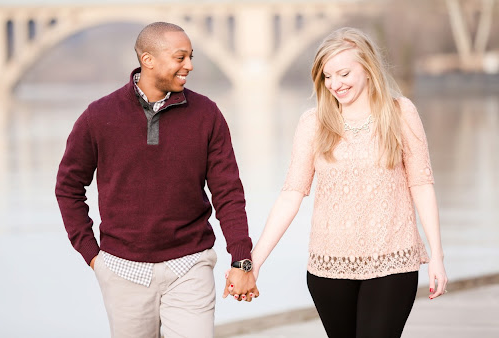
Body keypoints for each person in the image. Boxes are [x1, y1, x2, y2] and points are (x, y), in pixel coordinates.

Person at [55, 22, 258, 338]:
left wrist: (242, 259)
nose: (189, 65)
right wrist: (92, 255)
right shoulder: (99, 116)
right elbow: (68, 187)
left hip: (191, 265)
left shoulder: (207, 114)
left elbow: (228, 192)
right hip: (122, 270)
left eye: (190, 57)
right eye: (180, 57)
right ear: (147, 59)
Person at [250, 27, 448, 337]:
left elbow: (421, 184)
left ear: (368, 68)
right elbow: (291, 193)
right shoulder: (312, 123)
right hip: (329, 267)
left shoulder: (401, 113)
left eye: (343, 73)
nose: (335, 84)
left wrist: (437, 255)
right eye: (327, 76)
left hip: (393, 262)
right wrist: (255, 260)